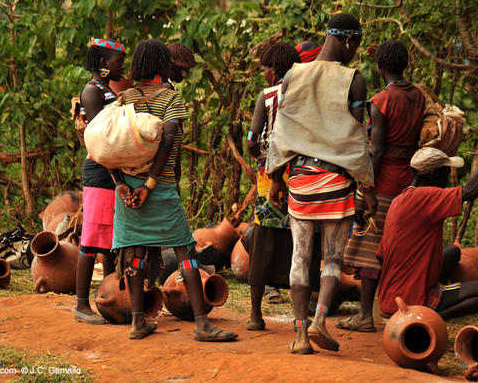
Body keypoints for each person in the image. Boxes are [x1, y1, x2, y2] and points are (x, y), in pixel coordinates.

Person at [110, 39, 237, 342]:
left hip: (129, 191)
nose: (171, 64)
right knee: (186, 253)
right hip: (160, 187)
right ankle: (202, 324)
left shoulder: (123, 98)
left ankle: (138, 322)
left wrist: (120, 184)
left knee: (136, 256)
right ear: (159, 64)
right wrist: (152, 183)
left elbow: (106, 145)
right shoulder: (170, 98)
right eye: (167, 60)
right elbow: (168, 140)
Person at [266, 13, 377, 354]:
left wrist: (275, 177)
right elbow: (355, 139)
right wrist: (367, 188)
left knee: (300, 257)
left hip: (301, 179)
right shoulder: (353, 80)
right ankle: (320, 320)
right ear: (348, 40)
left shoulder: (293, 75)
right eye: (355, 44)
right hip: (336, 182)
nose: (355, 51)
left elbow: (280, 129)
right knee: (331, 258)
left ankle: (300, 336)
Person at [375, 124, 478, 319]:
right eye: (445, 172)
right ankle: (431, 315)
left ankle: (429, 297)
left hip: (389, 298)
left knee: (453, 251)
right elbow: (470, 191)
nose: (448, 177)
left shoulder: (400, 199)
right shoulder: (426, 196)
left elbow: (381, 255)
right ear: (432, 175)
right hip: (412, 300)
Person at [339, 40, 426, 332]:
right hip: (410, 182)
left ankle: (365, 315)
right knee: (399, 248)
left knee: (369, 246)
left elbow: (376, 151)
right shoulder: (418, 96)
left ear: (379, 67)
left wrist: (366, 190)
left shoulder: (380, 102)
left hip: (385, 182)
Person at [246, 42, 322, 330]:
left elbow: (253, 140)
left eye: (265, 68)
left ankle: (255, 315)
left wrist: (263, 160)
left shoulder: (267, 97)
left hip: (270, 175)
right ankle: (303, 313)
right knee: (302, 241)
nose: (263, 73)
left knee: (264, 238)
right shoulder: (310, 96)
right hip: (305, 173)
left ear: (275, 69)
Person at [73, 38, 126, 324]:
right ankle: (81, 305)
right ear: (104, 63)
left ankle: (111, 300)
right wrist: (116, 177)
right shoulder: (92, 92)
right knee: (91, 241)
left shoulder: (106, 90)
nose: (122, 65)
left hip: (111, 172)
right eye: (118, 60)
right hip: (100, 173)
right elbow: (100, 141)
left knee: (109, 243)